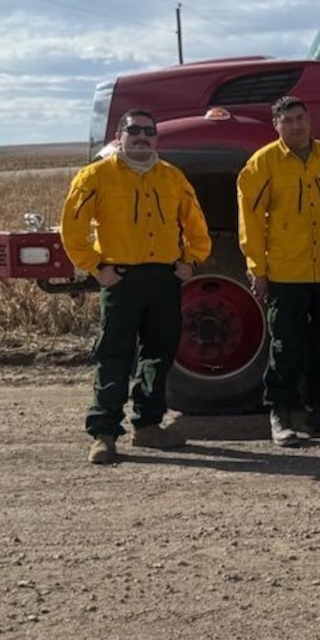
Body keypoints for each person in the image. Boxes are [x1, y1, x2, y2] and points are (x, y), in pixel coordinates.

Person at [62, 110, 211, 465]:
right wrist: (97, 268)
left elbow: (195, 224)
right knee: (114, 354)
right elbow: (73, 227)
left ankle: (148, 427)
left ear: (156, 137)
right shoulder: (96, 176)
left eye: (149, 131)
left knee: (158, 354)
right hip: (121, 280)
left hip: (163, 278)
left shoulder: (172, 177)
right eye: (135, 130)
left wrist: (191, 260)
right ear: (120, 134)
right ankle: (104, 434)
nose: (143, 137)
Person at [238, 95, 320, 445]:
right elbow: (250, 223)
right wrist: (259, 268)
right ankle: (280, 415)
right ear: (276, 125)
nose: (296, 125)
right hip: (287, 271)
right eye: (288, 120)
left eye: (301, 117)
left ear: (310, 120)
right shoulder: (261, 164)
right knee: (286, 345)